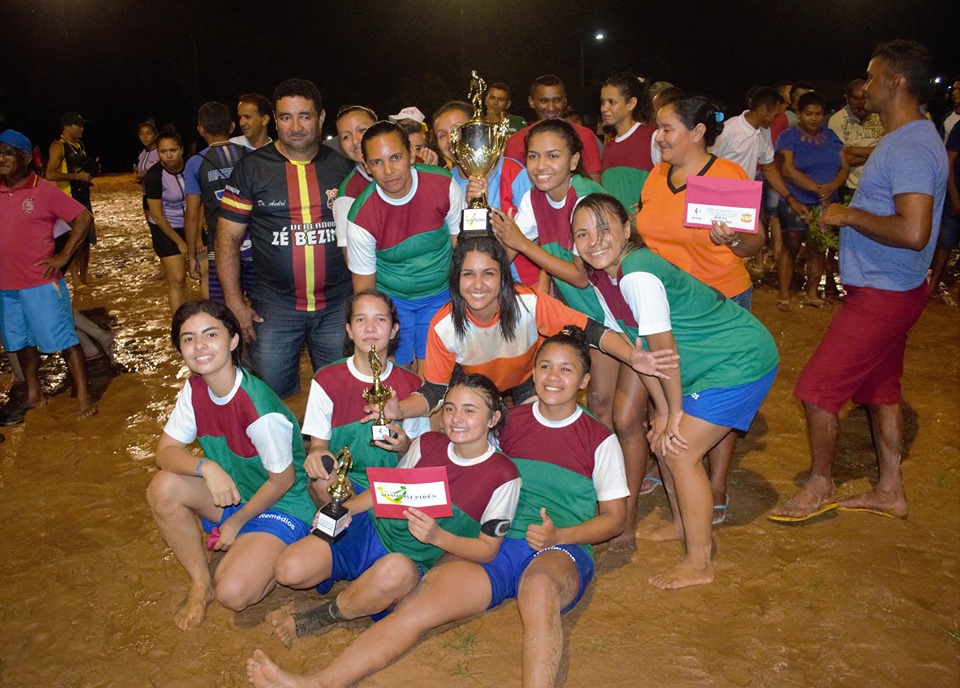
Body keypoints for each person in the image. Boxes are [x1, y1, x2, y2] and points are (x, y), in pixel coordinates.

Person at [245, 327, 629, 688]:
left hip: (559, 544)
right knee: (417, 607)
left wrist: (560, 535)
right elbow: (458, 437)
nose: (553, 376)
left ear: (584, 381)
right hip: (495, 545)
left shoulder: (599, 439)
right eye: (545, 365)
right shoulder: (509, 423)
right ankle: (318, 682)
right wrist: (405, 445)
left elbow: (615, 520)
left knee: (540, 589)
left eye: (567, 369)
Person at [770, 39, 947, 522]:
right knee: (881, 390)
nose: (865, 87)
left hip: (885, 293)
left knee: (816, 390)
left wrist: (848, 215)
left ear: (895, 81)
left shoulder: (909, 145)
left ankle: (818, 486)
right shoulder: (908, 138)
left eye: (872, 77)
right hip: (892, 287)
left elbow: (913, 231)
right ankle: (890, 489)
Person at [574, 193, 778, 589]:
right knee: (662, 438)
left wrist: (673, 413)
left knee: (679, 450)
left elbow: (663, 349)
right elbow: (642, 353)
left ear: (627, 230)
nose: (595, 240)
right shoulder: (605, 278)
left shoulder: (636, 272)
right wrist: (665, 414)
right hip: (707, 364)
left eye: (604, 229)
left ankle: (699, 562)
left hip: (739, 359)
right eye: (583, 234)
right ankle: (682, 524)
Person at [489, 119, 650, 549]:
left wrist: (522, 244)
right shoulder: (533, 196)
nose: (541, 165)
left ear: (575, 159)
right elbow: (516, 249)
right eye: (534, 156)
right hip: (590, 318)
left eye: (554, 155)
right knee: (597, 403)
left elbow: (579, 274)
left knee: (628, 418)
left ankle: (626, 519)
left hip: (628, 316)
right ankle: (594, 500)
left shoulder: (588, 200)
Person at [268, 373, 520, 645]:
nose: (456, 418)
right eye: (450, 407)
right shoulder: (427, 443)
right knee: (288, 570)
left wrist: (438, 538)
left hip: (410, 561)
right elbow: (385, 494)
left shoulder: (503, 475)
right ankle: (362, 583)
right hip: (373, 531)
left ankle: (325, 614)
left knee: (394, 570)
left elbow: (487, 549)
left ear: (493, 418)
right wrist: (345, 510)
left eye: (469, 410)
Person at [380, 235, 676, 423]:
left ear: (503, 278)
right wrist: (398, 410)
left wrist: (630, 356)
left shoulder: (529, 302)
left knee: (548, 426)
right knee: (455, 427)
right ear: (456, 279)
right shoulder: (443, 326)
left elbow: (591, 330)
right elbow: (433, 391)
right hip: (472, 385)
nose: (478, 284)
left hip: (525, 377)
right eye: (468, 274)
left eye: (489, 274)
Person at [147, 300, 315, 630]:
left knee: (234, 594)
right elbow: (164, 452)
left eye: (211, 334)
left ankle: (276, 545)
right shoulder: (195, 389)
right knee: (162, 487)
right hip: (239, 494)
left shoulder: (258, 407)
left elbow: (282, 481)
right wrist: (205, 467)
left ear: (233, 340)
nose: (200, 347)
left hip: (284, 504)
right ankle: (200, 582)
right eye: (188, 339)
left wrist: (237, 521)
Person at [216, 78, 354, 398]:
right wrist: (235, 304)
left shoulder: (344, 167)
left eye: (304, 116)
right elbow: (226, 241)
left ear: (320, 119)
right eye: (285, 117)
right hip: (275, 307)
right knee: (269, 397)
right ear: (275, 120)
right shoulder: (252, 168)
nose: (295, 126)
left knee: (343, 394)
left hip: (337, 304)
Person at [346, 120, 463, 372]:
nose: (388, 170)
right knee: (398, 374)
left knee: (433, 374)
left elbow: (461, 247)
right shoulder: (361, 217)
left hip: (441, 295)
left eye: (396, 157)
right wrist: (372, 333)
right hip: (393, 302)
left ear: (412, 154)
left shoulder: (442, 184)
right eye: (377, 162)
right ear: (366, 167)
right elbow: (364, 290)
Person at [0, 129, 97, 417]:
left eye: (9, 152)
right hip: (6, 287)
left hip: (41, 284)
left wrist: (64, 256)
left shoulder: (43, 190)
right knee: (19, 343)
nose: (2, 157)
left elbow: (83, 217)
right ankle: (34, 393)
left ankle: (83, 395)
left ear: (26, 158)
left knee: (64, 340)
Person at [300, 288, 428, 501]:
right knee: (323, 479)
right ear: (349, 330)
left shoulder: (412, 383)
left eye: (380, 319)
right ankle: (347, 517)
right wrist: (315, 455)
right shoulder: (326, 379)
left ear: (394, 329)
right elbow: (318, 446)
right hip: (349, 482)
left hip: (396, 484)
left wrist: (404, 446)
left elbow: (418, 457)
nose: (370, 328)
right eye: (360, 320)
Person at [438, 100, 538, 285]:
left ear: (477, 131)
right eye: (441, 134)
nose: (451, 139)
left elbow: (539, 230)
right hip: (476, 285)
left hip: (524, 282)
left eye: (457, 129)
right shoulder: (444, 183)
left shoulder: (513, 171)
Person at [775, 91, 849, 309]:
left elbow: (844, 166)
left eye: (818, 114)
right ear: (799, 114)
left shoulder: (831, 135)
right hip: (797, 200)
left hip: (827, 202)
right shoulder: (788, 136)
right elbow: (787, 170)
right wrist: (818, 190)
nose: (814, 118)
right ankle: (784, 294)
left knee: (819, 248)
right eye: (809, 114)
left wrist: (831, 188)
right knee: (792, 246)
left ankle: (811, 293)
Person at [183, 102, 250, 302]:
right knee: (259, 304)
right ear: (231, 126)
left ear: (201, 130)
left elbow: (192, 214)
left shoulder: (195, 164)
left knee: (222, 306)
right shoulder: (250, 155)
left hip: (219, 245)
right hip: (255, 243)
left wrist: (192, 255)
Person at [504, 75, 603, 183]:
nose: (551, 108)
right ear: (531, 102)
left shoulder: (585, 135)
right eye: (544, 101)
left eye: (557, 100)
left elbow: (595, 185)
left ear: (565, 101)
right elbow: (510, 188)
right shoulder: (515, 142)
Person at [144, 130, 195, 312]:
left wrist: (196, 238)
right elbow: (156, 215)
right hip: (165, 228)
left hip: (192, 224)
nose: (168, 155)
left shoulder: (192, 166)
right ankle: (178, 326)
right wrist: (180, 242)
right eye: (163, 151)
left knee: (206, 273)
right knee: (178, 278)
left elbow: (200, 202)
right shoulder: (153, 176)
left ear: (181, 149)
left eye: (172, 150)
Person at [46, 111, 98, 286]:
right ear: (67, 126)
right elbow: (50, 173)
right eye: (79, 125)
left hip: (83, 195)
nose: (82, 128)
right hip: (68, 199)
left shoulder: (79, 145)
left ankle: (84, 274)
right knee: (74, 238)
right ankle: (75, 278)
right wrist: (78, 177)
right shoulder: (58, 146)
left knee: (85, 240)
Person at [600, 71, 656, 213]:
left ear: (631, 103)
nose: (604, 108)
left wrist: (651, 204)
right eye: (602, 102)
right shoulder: (608, 146)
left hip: (643, 231)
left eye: (612, 102)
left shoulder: (652, 136)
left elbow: (674, 178)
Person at [331, 105, 377, 266]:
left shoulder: (411, 168)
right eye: (346, 137)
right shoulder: (347, 194)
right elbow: (353, 260)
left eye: (362, 130)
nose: (356, 141)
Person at [828, 79, 885, 197]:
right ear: (847, 99)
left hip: (881, 182)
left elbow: (890, 149)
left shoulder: (881, 114)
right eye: (857, 109)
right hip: (852, 186)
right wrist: (878, 150)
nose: (862, 112)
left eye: (864, 108)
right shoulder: (836, 120)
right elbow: (843, 160)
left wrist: (853, 150)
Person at [929, 117, 960, 299]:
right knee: (945, 243)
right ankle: (932, 287)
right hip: (956, 194)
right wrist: (954, 194)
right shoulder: (958, 127)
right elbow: (949, 160)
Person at [133, 119, 159, 227]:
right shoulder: (142, 154)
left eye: (148, 133)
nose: (145, 136)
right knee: (152, 227)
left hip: (160, 195)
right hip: (146, 194)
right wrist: (139, 178)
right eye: (141, 133)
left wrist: (147, 176)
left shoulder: (160, 151)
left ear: (155, 135)